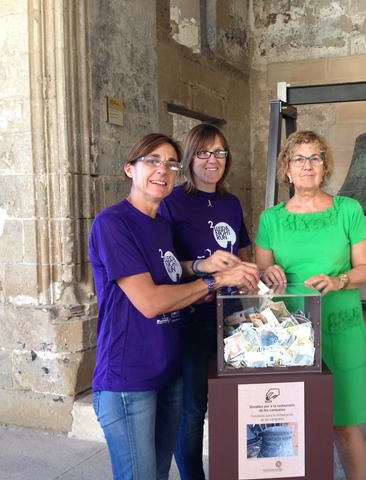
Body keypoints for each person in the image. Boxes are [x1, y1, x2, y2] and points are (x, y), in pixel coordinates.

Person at [88, 133, 258, 480]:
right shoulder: (113, 223)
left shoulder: (160, 225)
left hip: (168, 371)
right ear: (130, 169)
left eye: (170, 164)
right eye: (152, 161)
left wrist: (202, 266)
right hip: (129, 378)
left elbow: (168, 270)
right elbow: (150, 302)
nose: (162, 170)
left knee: (160, 474)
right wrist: (214, 281)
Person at [255, 130, 366, 480]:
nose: (307, 165)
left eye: (315, 158)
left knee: (345, 420)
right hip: (288, 332)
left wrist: (339, 280)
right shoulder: (271, 219)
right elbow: (262, 273)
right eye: (299, 158)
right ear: (287, 169)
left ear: (325, 166)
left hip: (340, 325)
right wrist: (267, 271)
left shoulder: (348, 210)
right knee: (292, 416)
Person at [159, 124, 251, 480]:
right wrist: (202, 267)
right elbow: (165, 267)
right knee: (193, 408)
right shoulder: (171, 202)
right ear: (189, 158)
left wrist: (250, 274)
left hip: (231, 316)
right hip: (191, 317)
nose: (213, 160)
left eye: (220, 152)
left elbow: (242, 254)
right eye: (203, 153)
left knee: (232, 399)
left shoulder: (232, 203)